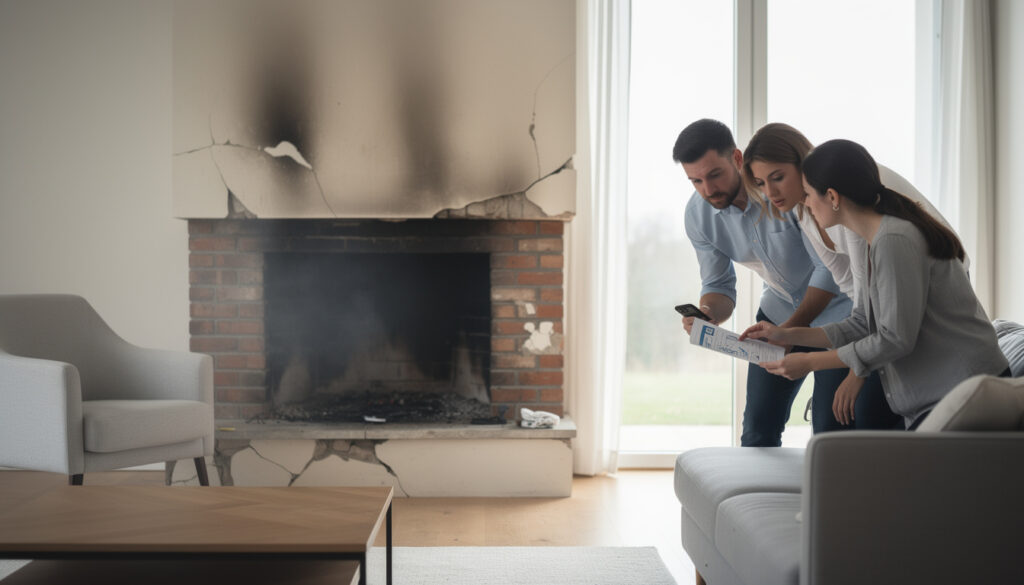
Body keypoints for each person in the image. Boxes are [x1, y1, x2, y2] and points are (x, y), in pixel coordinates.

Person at [741, 139, 1009, 429]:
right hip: (942, 398)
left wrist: (810, 363)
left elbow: (894, 338)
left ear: (831, 196)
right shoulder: (878, 241)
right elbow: (861, 323)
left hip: (963, 395)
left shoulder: (894, 241)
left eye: (807, 194)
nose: (804, 204)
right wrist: (786, 334)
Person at [673, 119, 852, 446]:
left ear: (737, 159)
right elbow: (718, 285)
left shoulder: (783, 192)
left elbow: (826, 270)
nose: (707, 190)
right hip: (778, 313)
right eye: (695, 181)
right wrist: (707, 314)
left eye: (714, 175)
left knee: (830, 430)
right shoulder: (697, 216)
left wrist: (790, 331)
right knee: (757, 428)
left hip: (838, 316)